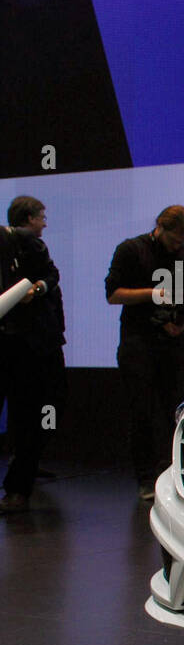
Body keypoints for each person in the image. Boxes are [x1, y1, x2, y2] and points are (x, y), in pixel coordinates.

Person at [106, 205, 184, 501]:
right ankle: (145, 477)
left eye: (182, 241)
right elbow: (113, 294)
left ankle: (175, 472)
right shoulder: (131, 250)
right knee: (142, 411)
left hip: (172, 343)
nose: (177, 246)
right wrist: (151, 294)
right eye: (173, 240)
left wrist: (182, 322)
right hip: (138, 342)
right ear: (159, 227)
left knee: (177, 409)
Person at [0, 200, 63, 513]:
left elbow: (51, 276)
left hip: (24, 345)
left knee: (27, 417)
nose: (45, 223)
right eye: (43, 217)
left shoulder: (25, 243)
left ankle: (17, 489)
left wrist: (36, 289)